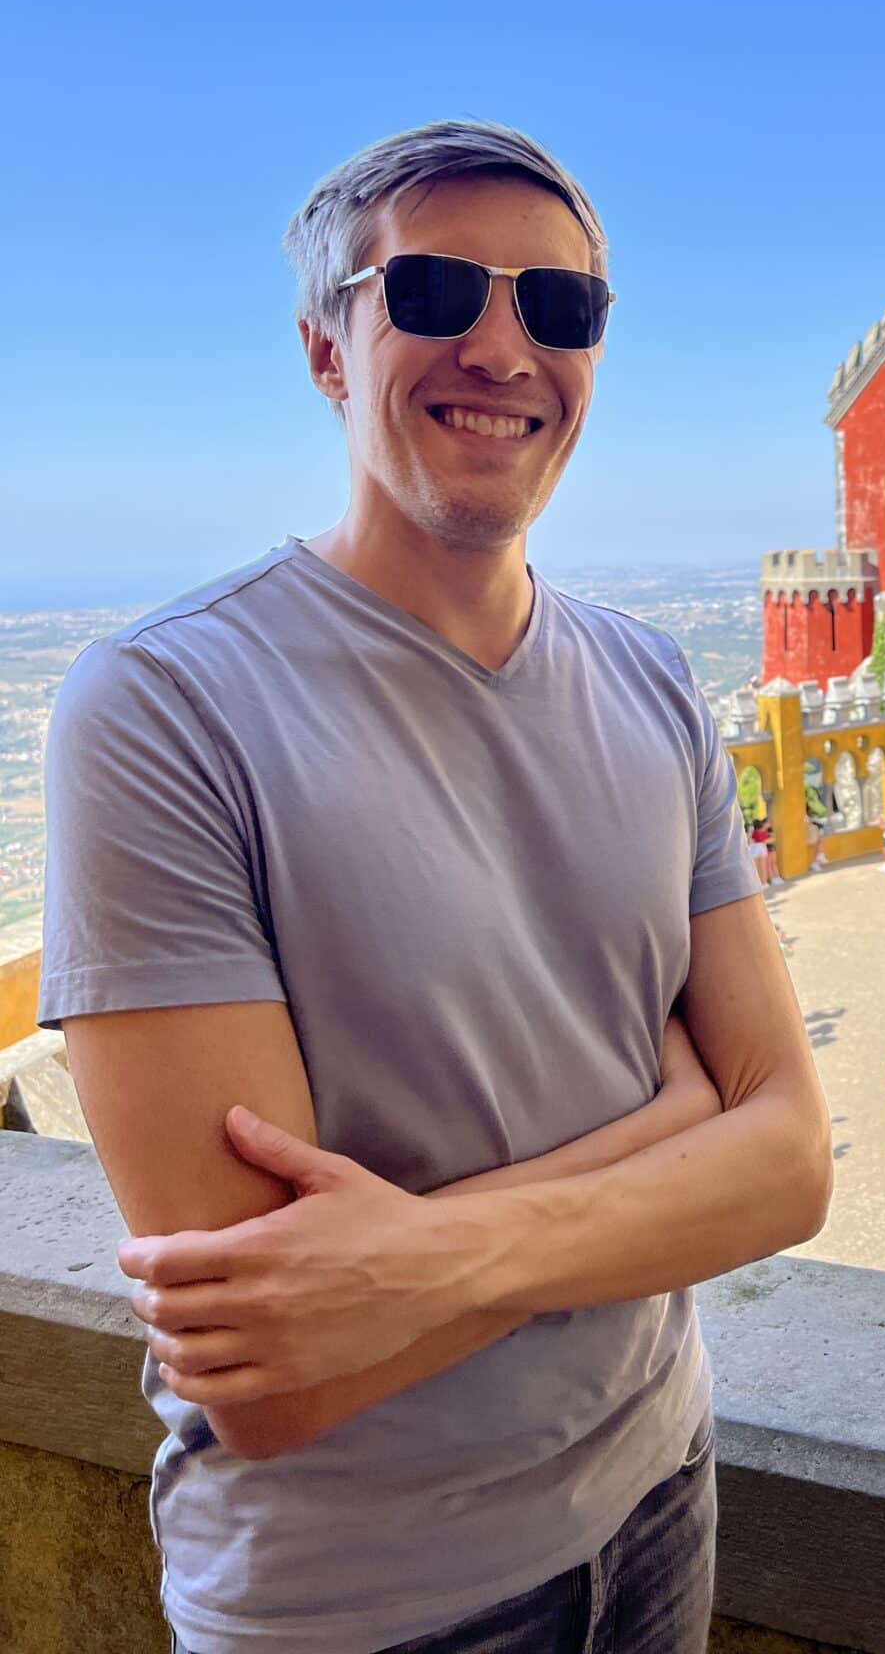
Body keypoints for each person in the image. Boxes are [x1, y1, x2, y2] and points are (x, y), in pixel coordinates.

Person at [39, 120, 832, 1653]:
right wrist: (680, 1125)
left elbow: (792, 1162)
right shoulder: (163, 709)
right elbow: (278, 1378)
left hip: (659, 1492)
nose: (503, 348)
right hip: (365, 1608)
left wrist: (412, 1258)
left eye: (560, 308)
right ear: (325, 349)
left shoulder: (655, 685)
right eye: (434, 291)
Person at [804, 777, 829, 872]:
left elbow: (820, 811)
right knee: (817, 839)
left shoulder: (809, 803)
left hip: (811, 830)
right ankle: (817, 858)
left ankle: (819, 857)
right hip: (806, 833)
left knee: (819, 837)